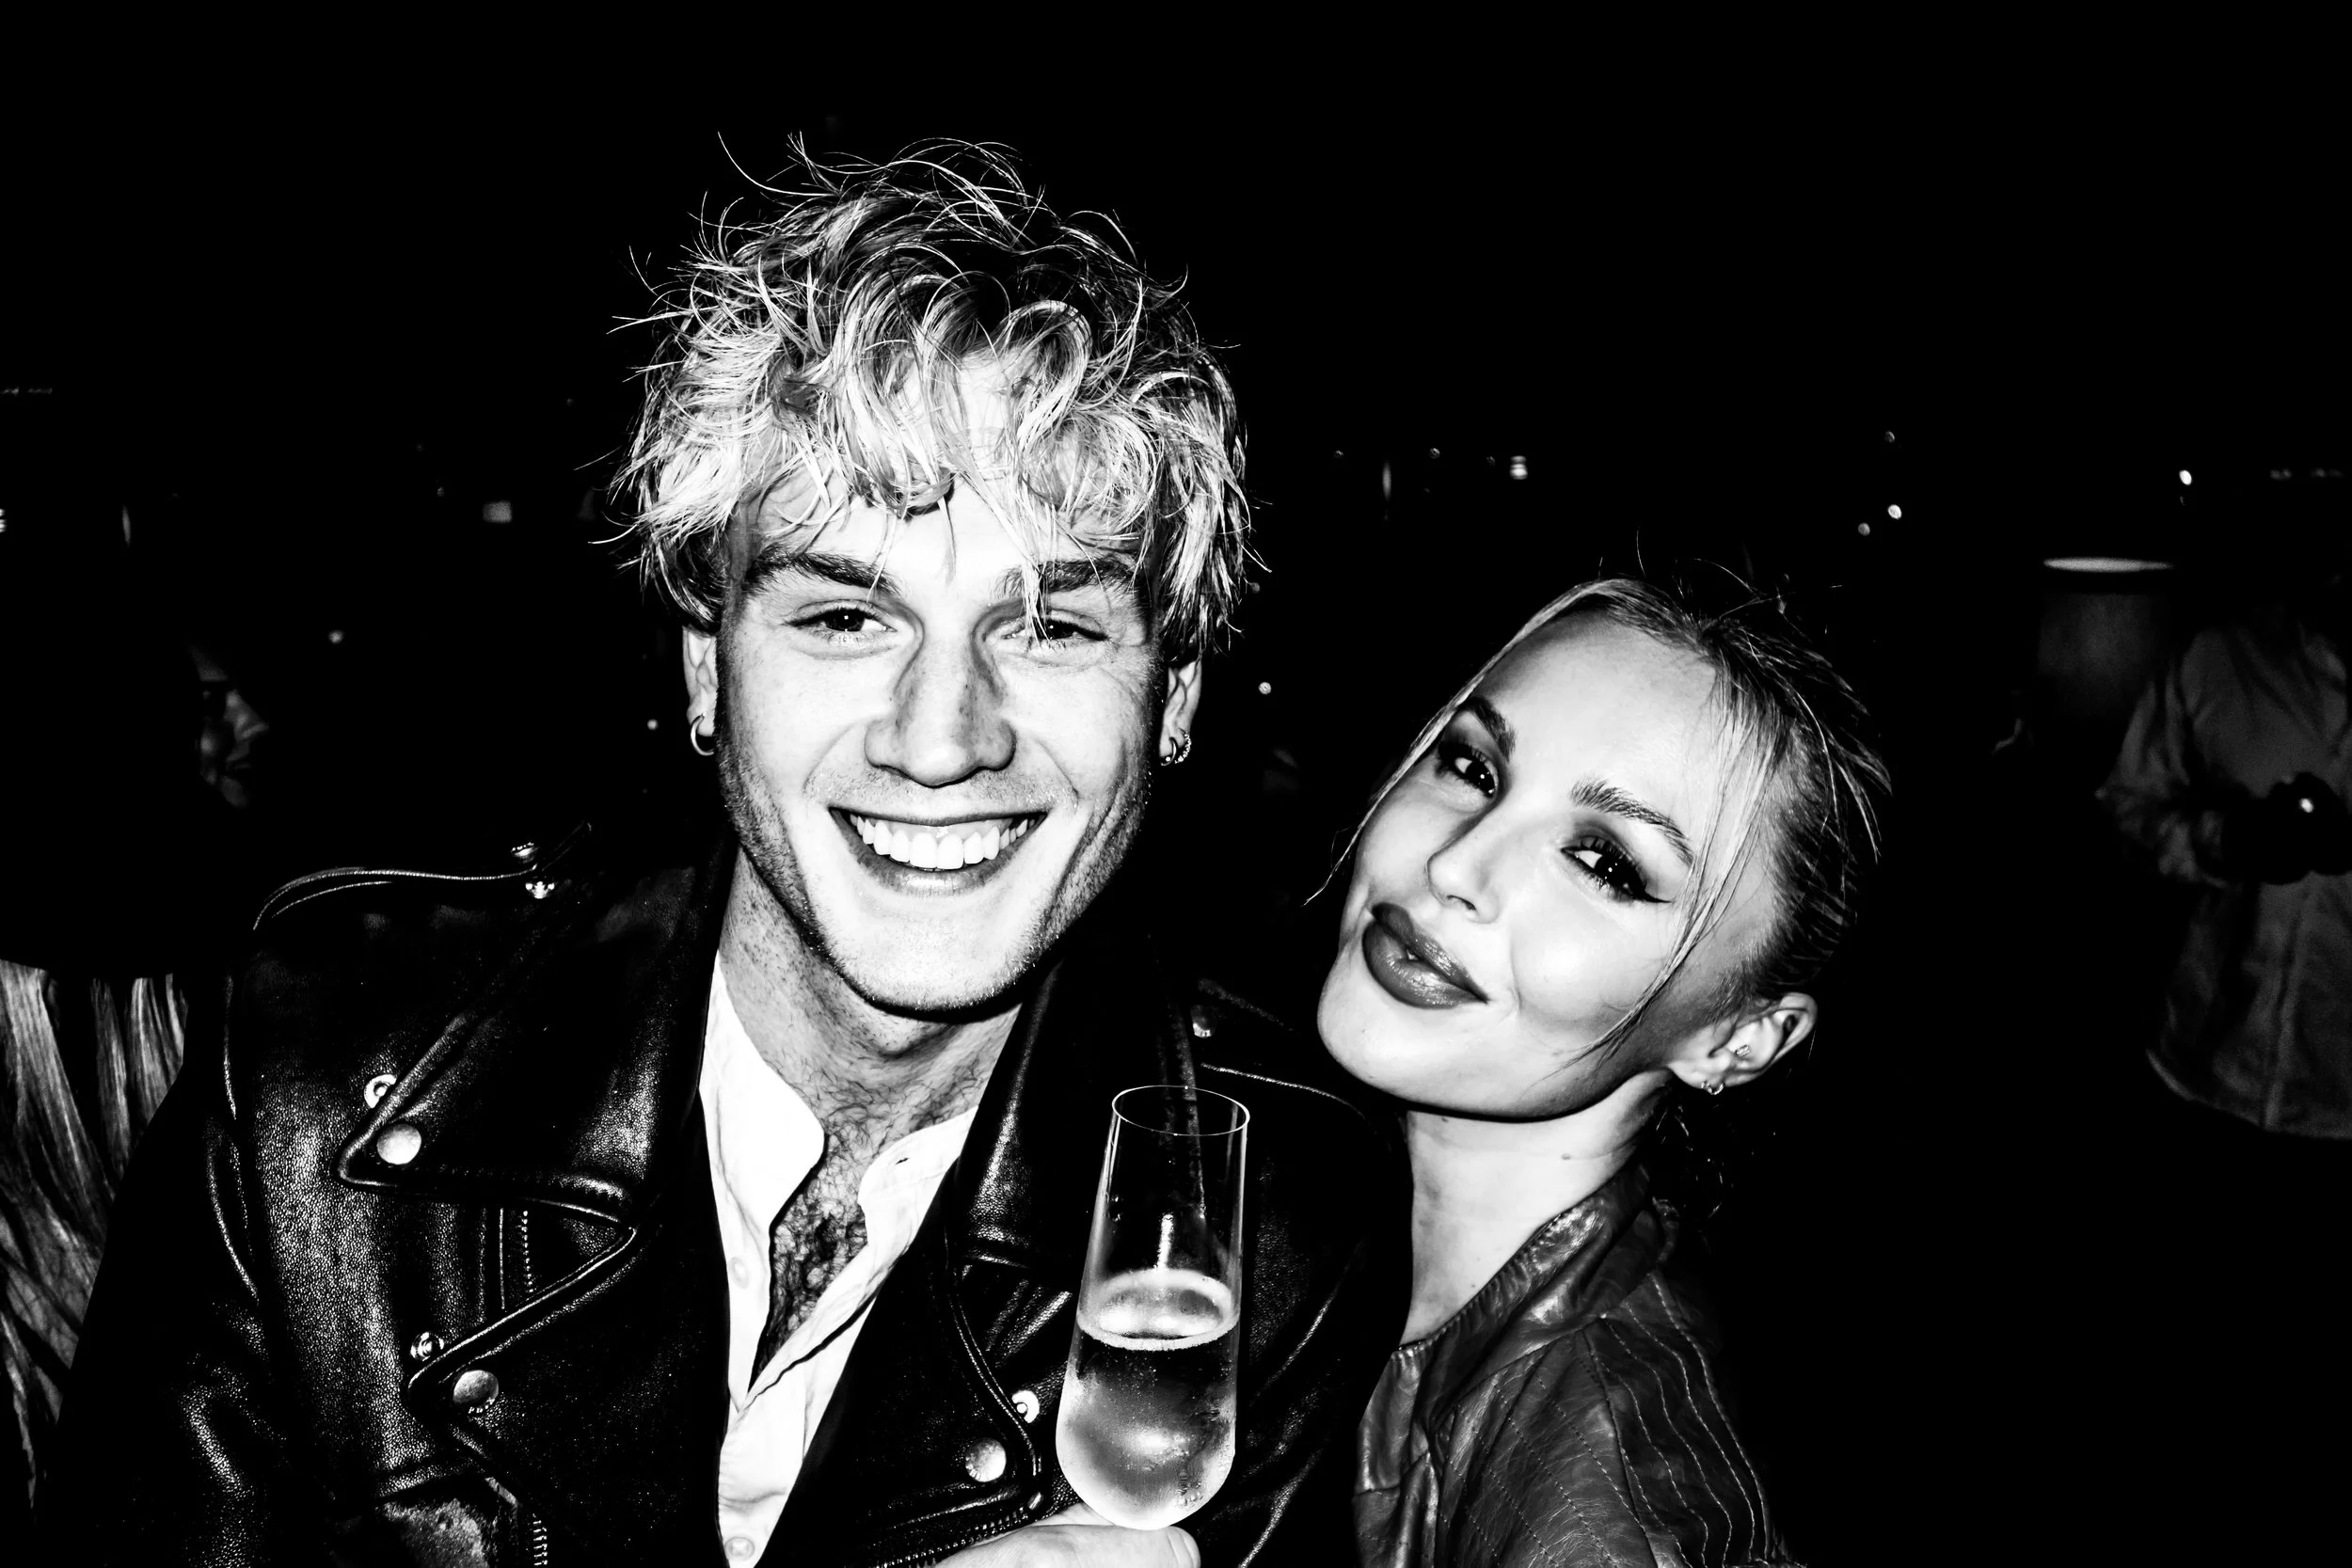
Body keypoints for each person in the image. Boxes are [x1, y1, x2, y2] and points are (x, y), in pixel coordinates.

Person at [43, 146, 1406, 1566]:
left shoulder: (1275, 1215)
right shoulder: (323, 1067)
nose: (942, 739)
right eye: (844, 618)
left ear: (1174, 699)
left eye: (1051, 626)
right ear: (709, 669)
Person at [1320, 578, 1888, 1567]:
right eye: (1473, 765)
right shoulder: (1247, 1165)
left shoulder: (1620, 1520)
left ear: (1738, 1038)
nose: (1456, 864)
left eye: (1603, 862)